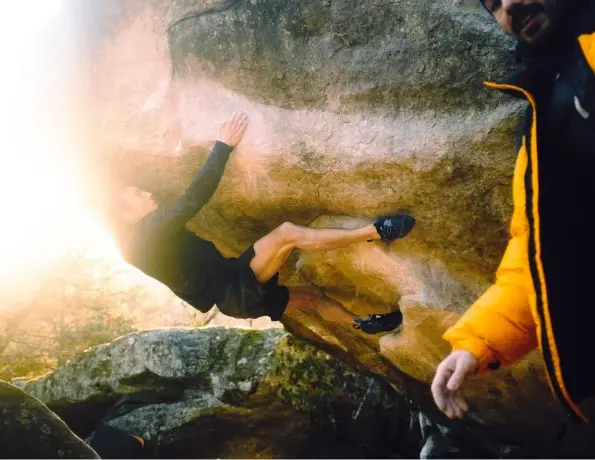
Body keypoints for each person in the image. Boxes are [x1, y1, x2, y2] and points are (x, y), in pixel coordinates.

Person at [431, 0, 595, 422]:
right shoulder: (544, 103)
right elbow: (540, 250)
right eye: (493, 4)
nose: (508, 8)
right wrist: (475, 343)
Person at [110, 111, 416, 335]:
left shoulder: (137, 246)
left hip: (232, 294)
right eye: (137, 194)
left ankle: (363, 324)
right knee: (287, 234)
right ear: (127, 214)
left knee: (311, 297)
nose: (146, 192)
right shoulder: (145, 235)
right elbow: (192, 199)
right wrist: (222, 146)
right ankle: (376, 231)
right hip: (233, 290)